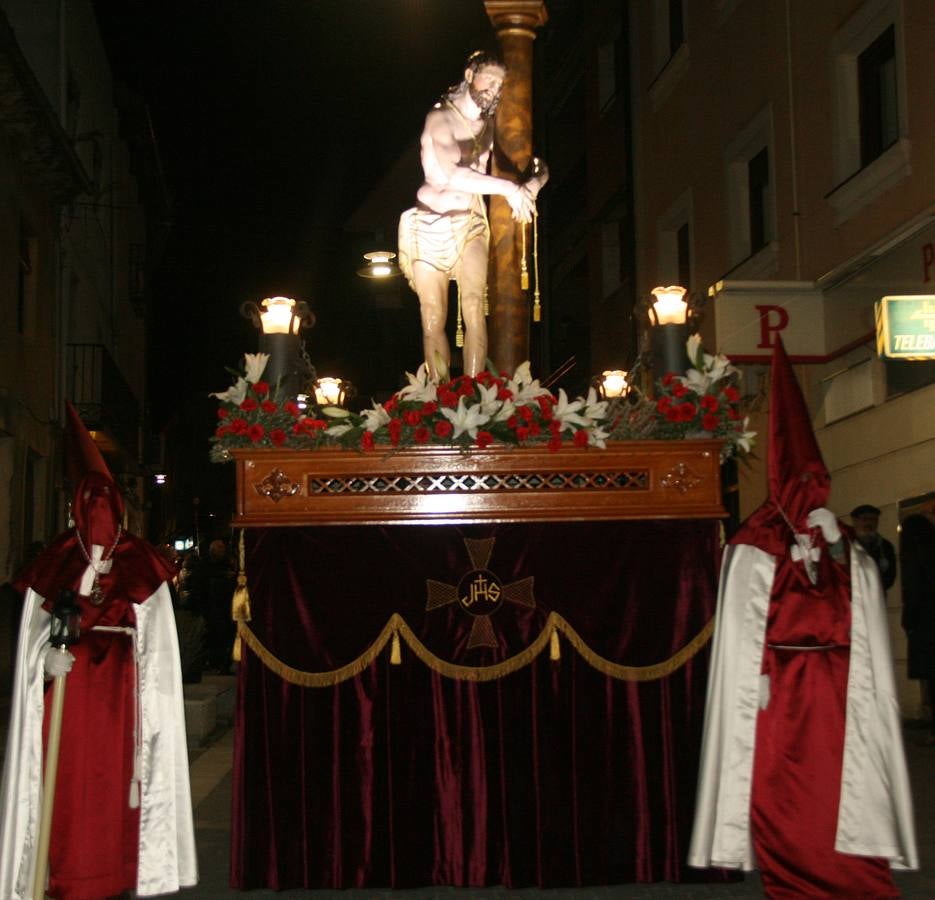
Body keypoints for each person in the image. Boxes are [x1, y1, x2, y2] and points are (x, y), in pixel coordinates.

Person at [688, 339, 917, 897]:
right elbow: (746, 622)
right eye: (802, 481)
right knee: (785, 785)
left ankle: (853, 870)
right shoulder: (755, 543)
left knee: (845, 782)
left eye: (818, 483)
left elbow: (859, 599)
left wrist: (839, 552)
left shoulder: (837, 537)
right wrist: (756, 677)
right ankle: (793, 868)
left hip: (840, 687)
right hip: (780, 689)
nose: (811, 492)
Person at [0, 402, 197, 899]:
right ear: (75, 511)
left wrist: (140, 681)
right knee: (66, 793)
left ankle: (119, 873)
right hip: (65, 712)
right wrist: (42, 662)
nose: (100, 515)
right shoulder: (56, 563)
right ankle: (58, 874)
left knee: (114, 796)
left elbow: (159, 647)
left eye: (107, 505)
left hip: (122, 710)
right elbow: (32, 636)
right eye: (91, 507)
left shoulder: (141, 566)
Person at [398, 50, 548, 379]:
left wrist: (534, 184)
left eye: (499, 86)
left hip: (469, 222)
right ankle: (438, 399)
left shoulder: (490, 126)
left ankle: (475, 395)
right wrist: (511, 190)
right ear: (469, 75)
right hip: (429, 223)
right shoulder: (439, 118)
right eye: (489, 81)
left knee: (475, 308)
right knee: (434, 317)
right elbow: (452, 173)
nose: (494, 91)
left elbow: (532, 166)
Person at [899, 513, 935, 741]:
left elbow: (913, 593)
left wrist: (908, 621)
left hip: (925, 623)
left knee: (930, 676)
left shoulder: (915, 556)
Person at [188, 538, 236, 673]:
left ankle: (222, 662)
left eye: (223, 548)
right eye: (219, 549)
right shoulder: (204, 565)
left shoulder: (226, 563)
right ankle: (213, 661)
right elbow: (201, 582)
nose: (222, 551)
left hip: (224, 606)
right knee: (213, 635)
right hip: (210, 606)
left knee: (224, 635)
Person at [851, 503, 898, 592]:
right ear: (855, 522)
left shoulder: (886, 547)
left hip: (878, 600)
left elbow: (890, 578)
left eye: (873, 519)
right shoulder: (848, 546)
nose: (869, 523)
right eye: (864, 519)